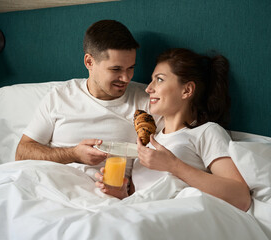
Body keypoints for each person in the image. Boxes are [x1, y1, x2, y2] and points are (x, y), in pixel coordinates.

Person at [95, 48, 251, 211]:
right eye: (152, 80)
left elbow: (241, 198)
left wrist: (174, 166)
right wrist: (121, 194)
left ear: (187, 90)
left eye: (159, 80)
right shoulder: (149, 143)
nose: (148, 88)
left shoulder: (206, 132)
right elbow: (143, 200)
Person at [15, 20, 162, 181]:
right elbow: (22, 153)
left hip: (105, 195)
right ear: (89, 62)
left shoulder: (148, 101)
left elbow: (169, 156)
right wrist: (73, 154)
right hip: (51, 183)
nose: (126, 78)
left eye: (131, 67)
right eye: (116, 69)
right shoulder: (60, 96)